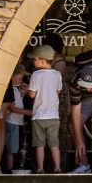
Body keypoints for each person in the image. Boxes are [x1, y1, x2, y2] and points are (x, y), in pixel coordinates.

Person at [27, 46, 64, 174]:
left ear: (42, 61)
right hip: (53, 115)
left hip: (39, 116)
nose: (33, 61)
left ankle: (40, 169)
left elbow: (32, 94)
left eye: (35, 59)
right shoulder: (57, 74)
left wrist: (27, 90)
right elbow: (58, 91)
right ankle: (58, 168)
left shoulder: (36, 74)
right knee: (54, 144)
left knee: (39, 144)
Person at [0, 64, 30, 173]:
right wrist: (26, 112)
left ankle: (11, 167)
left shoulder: (16, 90)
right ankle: (9, 168)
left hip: (17, 122)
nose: (21, 81)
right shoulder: (11, 91)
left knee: (15, 147)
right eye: (20, 78)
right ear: (12, 76)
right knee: (12, 148)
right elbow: (12, 108)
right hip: (12, 122)